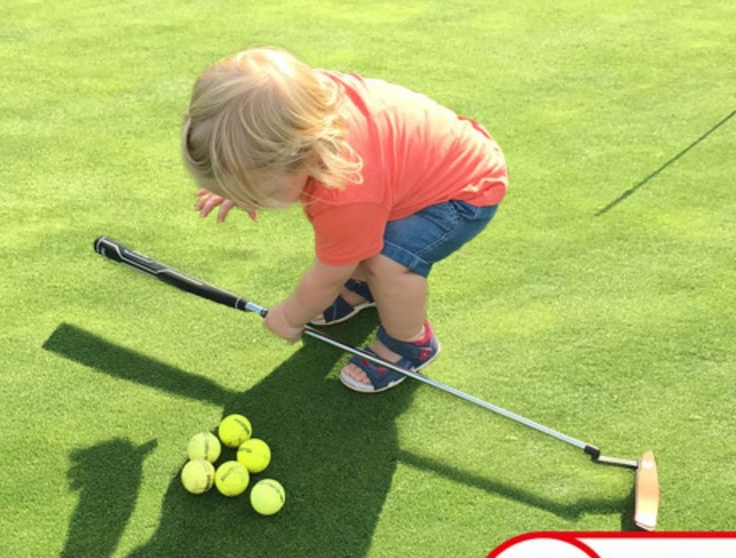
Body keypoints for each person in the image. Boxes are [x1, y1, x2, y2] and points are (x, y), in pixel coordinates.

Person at [181, 47, 507, 392]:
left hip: (462, 192)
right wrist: (240, 184)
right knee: (358, 243)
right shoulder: (297, 108)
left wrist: (292, 316)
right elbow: (253, 145)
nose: (252, 199)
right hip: (413, 174)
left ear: (303, 157)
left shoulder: (344, 192)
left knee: (387, 264)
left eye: (259, 192)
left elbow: (328, 274)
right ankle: (365, 290)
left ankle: (410, 343)